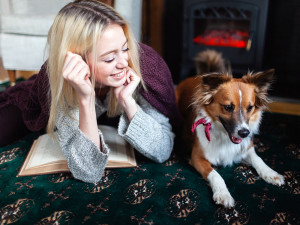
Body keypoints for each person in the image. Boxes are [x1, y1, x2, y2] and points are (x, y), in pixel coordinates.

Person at [0, 0, 180, 183]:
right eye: (109, 58)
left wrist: (129, 103)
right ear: (77, 59)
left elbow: (163, 150)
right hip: (36, 94)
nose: (124, 63)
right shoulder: (60, 80)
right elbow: (88, 171)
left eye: (125, 48)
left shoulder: (145, 67)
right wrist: (85, 99)